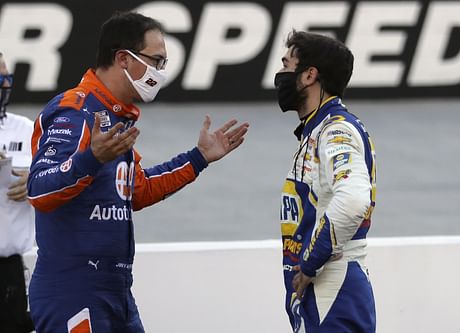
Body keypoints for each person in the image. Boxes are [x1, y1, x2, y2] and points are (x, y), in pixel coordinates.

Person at [27, 11, 249, 332]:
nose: (160, 72)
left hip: (117, 292)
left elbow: (137, 190)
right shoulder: (76, 111)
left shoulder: (116, 117)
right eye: (156, 61)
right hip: (73, 291)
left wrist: (198, 158)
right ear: (124, 59)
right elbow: (38, 190)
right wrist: (90, 158)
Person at [274, 31, 377, 332]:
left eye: (286, 64)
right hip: (327, 289)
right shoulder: (316, 130)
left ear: (309, 75)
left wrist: (309, 264)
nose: (280, 74)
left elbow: (355, 200)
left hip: (333, 289)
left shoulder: (335, 130)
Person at [0, 52, 36, 332]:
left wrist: (34, 181)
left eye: (6, 78)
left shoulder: (26, 130)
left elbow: (60, 176)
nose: (4, 85)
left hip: (9, 267)